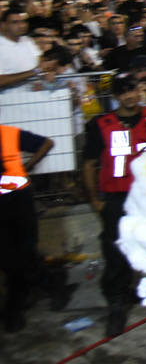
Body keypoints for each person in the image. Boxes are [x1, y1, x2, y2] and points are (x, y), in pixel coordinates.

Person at [82, 73, 146, 337]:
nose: (130, 95)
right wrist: (95, 200)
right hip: (116, 196)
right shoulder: (101, 124)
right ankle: (117, 300)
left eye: (133, 90)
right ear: (115, 96)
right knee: (115, 249)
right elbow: (90, 164)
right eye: (123, 91)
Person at [1, 120, 66, 332]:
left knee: (24, 252)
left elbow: (46, 143)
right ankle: (49, 281)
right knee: (8, 256)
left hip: (19, 200)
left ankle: (14, 308)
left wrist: (29, 166)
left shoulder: (9, 134)